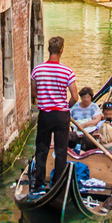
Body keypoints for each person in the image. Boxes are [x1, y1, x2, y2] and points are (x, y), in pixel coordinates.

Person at [30, 36, 78, 196]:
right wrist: (66, 107)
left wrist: (45, 97)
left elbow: (33, 92)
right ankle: (58, 185)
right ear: (62, 50)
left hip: (45, 115)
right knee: (61, 150)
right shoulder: (67, 72)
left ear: (48, 50)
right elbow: (75, 97)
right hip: (61, 115)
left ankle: (38, 186)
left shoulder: (37, 70)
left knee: (42, 150)